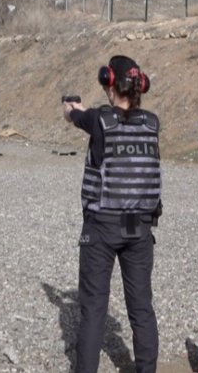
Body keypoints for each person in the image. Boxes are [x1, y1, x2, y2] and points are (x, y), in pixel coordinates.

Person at [62, 55, 162, 373]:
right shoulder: (151, 123)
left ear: (108, 82)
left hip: (102, 227)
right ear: (139, 86)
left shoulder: (99, 120)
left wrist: (71, 108)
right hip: (141, 230)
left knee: (93, 310)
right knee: (142, 309)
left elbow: (75, 116)